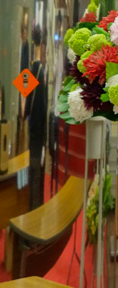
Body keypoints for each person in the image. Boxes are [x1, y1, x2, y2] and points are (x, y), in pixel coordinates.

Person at [25, 25, 48, 209]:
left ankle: (30, 204)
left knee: (32, 168)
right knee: (36, 171)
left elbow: (26, 103)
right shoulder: (40, 71)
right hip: (38, 129)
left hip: (31, 127)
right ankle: (35, 205)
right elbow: (41, 105)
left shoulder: (30, 70)